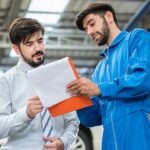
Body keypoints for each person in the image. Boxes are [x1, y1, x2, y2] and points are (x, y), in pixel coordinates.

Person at [67, 3, 150, 150]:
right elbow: (95, 118)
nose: (89, 32)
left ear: (109, 17)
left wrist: (99, 88)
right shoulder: (99, 71)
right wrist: (79, 101)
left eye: (92, 24)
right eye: (86, 29)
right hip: (110, 144)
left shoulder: (137, 39)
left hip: (140, 138)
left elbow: (143, 79)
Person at [0, 17, 79, 150]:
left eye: (40, 41)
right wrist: (26, 114)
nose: (37, 48)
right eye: (29, 44)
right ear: (16, 49)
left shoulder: (60, 75)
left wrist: (63, 142)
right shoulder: (5, 81)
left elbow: (72, 121)